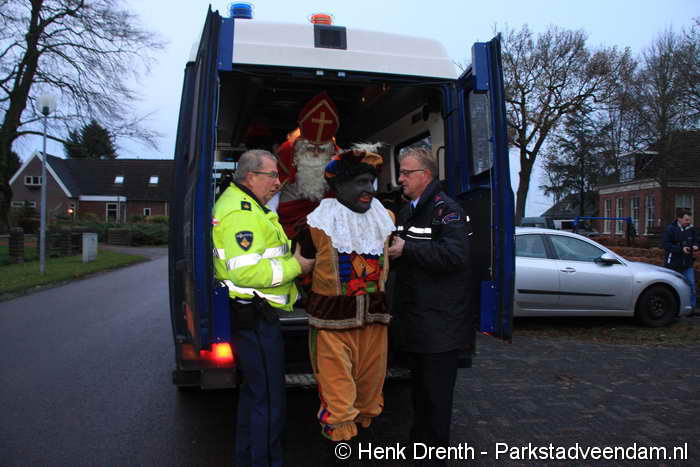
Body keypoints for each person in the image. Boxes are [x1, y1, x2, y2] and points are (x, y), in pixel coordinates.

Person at [212, 149, 314, 467]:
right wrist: (297, 266)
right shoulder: (241, 213)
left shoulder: (249, 206)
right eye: (272, 175)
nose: (277, 182)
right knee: (268, 400)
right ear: (251, 176)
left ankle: (248, 459)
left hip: (254, 316)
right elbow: (245, 272)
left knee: (256, 396)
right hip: (254, 318)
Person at [296, 144, 395, 443]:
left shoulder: (386, 218)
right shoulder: (316, 224)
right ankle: (340, 450)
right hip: (331, 326)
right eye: (361, 182)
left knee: (370, 393)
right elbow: (302, 268)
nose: (369, 190)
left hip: (374, 322)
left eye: (371, 182)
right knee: (338, 400)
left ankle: (365, 444)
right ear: (339, 186)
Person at [387, 147, 473, 466]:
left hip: (440, 328)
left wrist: (407, 249)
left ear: (425, 175)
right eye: (401, 172)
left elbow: (455, 256)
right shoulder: (408, 210)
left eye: (406, 173)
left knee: (436, 404)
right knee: (420, 399)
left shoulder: (446, 210)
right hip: (418, 324)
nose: (400, 179)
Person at [276, 91, 339, 238]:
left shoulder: (337, 160)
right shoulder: (287, 153)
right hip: (289, 230)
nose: (316, 153)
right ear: (300, 147)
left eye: (321, 150)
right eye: (310, 148)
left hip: (326, 232)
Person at [662, 210, 699, 314]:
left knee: (691, 285)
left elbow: (696, 240)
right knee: (671, 287)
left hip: (687, 263)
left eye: (689, 220)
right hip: (672, 264)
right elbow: (666, 245)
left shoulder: (691, 229)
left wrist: (696, 246)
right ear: (679, 219)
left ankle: (692, 308)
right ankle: (670, 309)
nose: (689, 222)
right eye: (686, 219)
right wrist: (681, 249)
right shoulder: (670, 229)